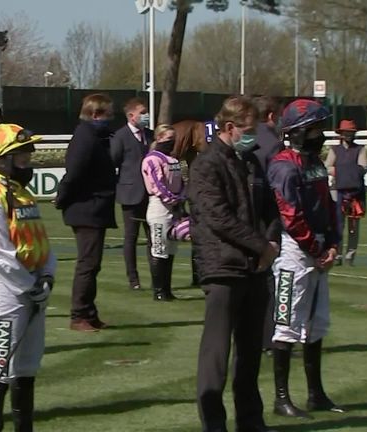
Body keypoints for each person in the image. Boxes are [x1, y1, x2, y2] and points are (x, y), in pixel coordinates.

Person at [190, 96, 281, 432]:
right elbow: (218, 217)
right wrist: (261, 246)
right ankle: (214, 423)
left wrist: (270, 241)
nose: (253, 135)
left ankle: (251, 420)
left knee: (250, 352)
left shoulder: (252, 163)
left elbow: (271, 208)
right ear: (230, 127)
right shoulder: (206, 165)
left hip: (255, 268)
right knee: (216, 352)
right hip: (223, 267)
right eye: (248, 128)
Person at [0, 123, 56, 432]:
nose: (28, 161)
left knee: (27, 368)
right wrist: (31, 285)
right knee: (0, 369)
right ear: (2, 160)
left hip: (33, 288)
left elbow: (41, 241)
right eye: (22, 156)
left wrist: (46, 276)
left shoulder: (24, 195)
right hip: (6, 293)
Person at [267, 99, 344, 418]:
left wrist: (334, 243)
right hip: (294, 254)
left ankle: (316, 394)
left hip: (319, 250)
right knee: (286, 324)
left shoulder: (314, 161)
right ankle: (281, 398)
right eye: (314, 128)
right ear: (297, 132)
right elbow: (291, 215)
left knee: (316, 324)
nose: (320, 134)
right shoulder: (284, 165)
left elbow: (328, 203)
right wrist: (317, 250)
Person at [55, 93, 117, 332]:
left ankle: (89, 313)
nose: (111, 119)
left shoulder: (93, 136)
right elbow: (74, 173)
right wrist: (62, 198)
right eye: (108, 114)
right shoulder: (86, 137)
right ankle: (79, 314)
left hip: (93, 208)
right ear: (95, 114)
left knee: (92, 263)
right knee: (88, 264)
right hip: (86, 208)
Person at [252, 96, 285, 354]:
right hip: (267, 220)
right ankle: (268, 337)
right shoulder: (274, 144)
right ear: (272, 116)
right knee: (269, 281)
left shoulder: (249, 139)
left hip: (244, 220)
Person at [110, 97, 153, 291]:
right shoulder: (120, 136)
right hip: (130, 194)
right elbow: (113, 162)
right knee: (131, 238)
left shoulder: (150, 136)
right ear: (131, 115)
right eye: (142, 112)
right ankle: (133, 280)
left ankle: (157, 278)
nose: (146, 116)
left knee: (155, 238)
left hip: (152, 194)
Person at [141, 124, 184, 301]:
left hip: (174, 207)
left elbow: (181, 182)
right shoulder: (152, 159)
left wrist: (181, 197)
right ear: (159, 138)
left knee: (171, 249)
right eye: (168, 139)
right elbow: (157, 184)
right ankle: (158, 290)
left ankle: (167, 288)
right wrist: (172, 198)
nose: (171, 142)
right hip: (159, 206)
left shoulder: (173, 159)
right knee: (159, 248)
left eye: (173, 139)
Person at [325, 119, 367, 266]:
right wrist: (346, 172)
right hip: (338, 191)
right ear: (341, 134)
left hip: (356, 193)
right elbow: (327, 167)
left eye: (351, 133)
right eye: (346, 133)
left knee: (353, 227)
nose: (349, 135)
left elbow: (363, 168)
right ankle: (337, 254)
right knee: (338, 225)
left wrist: (343, 172)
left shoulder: (360, 149)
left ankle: (350, 256)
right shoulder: (334, 149)